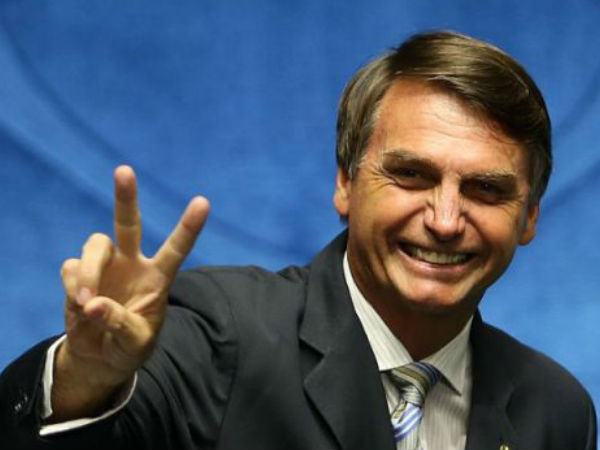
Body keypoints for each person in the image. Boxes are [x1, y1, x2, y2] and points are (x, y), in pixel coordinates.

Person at [0, 30, 596, 450]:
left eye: (486, 190)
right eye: (411, 175)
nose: (444, 220)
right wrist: (84, 380)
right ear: (345, 184)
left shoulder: (556, 410)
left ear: (529, 217)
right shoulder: (220, 335)